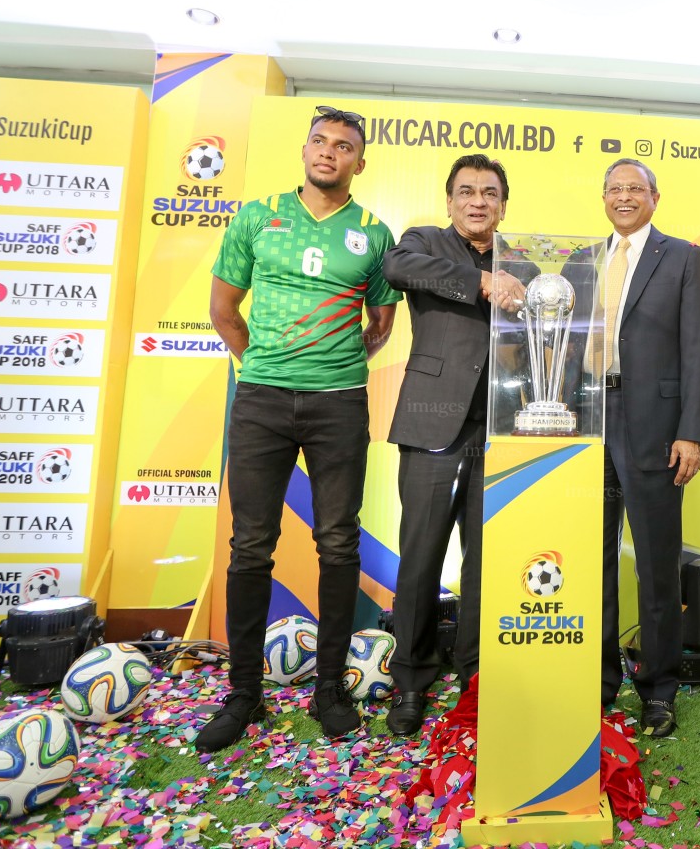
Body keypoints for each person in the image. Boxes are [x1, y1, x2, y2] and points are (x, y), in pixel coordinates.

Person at [201, 106, 400, 751]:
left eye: (344, 146)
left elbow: (381, 323)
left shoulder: (373, 233)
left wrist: (329, 363)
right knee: (250, 546)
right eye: (320, 142)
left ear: (359, 163)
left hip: (339, 403)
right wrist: (266, 364)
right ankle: (243, 696)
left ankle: (331, 692)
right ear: (306, 149)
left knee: (339, 543)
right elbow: (224, 309)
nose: (329, 153)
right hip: (260, 399)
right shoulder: (257, 216)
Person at [381, 153, 533, 737]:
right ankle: (412, 679)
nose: (478, 202)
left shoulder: (521, 262)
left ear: (503, 206)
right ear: (450, 202)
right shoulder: (423, 243)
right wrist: (481, 282)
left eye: (490, 194)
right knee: (420, 557)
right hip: (431, 422)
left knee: (486, 560)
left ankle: (475, 676)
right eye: (467, 192)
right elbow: (397, 268)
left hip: (501, 428)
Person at [567, 158, 700, 738]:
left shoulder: (682, 257)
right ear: (603, 197)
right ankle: (600, 681)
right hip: (588, 418)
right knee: (592, 563)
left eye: (635, 188)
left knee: (655, 566)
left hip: (654, 423)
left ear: (655, 197)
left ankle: (658, 689)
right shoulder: (583, 260)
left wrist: (693, 430)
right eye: (614, 188)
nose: (623, 196)